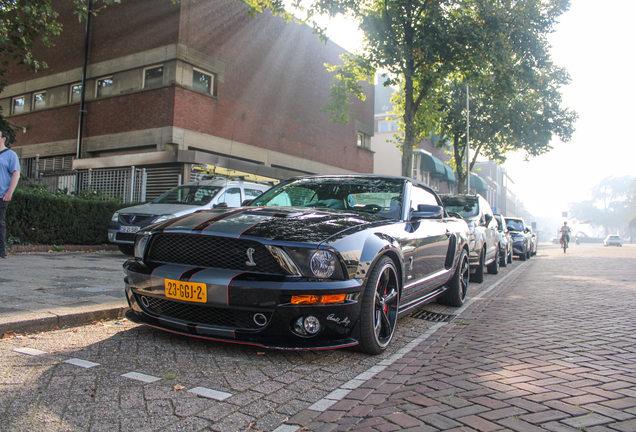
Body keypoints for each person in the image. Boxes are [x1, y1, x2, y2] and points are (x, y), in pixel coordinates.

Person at [0, 129, 20, 258]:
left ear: (3, 139)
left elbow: (16, 174)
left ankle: (1, 251)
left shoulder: (10, 155)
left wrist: (9, 192)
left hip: (1, 195)